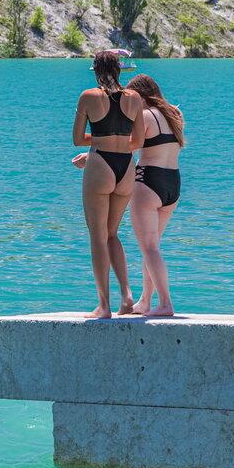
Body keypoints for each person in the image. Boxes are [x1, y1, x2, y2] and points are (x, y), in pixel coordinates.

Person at [71, 49, 146, 319]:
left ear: (97, 71)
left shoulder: (88, 97)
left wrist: (101, 140)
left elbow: (78, 139)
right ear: (119, 70)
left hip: (101, 164)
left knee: (97, 235)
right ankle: (126, 295)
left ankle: (103, 305)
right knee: (112, 233)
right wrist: (116, 138)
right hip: (126, 166)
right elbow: (137, 141)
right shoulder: (134, 98)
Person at [126, 74, 184, 317]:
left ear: (141, 96)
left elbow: (126, 146)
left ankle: (165, 304)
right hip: (172, 183)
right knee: (152, 248)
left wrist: (93, 158)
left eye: (132, 98)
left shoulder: (145, 116)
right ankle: (145, 301)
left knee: (149, 248)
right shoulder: (175, 115)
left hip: (148, 180)